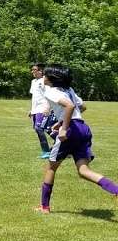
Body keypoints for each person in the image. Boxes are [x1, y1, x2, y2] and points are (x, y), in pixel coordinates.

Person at [36, 64, 118, 213]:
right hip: (82, 128)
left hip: (71, 130)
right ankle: (116, 190)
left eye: (45, 75)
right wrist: (61, 121)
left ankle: (44, 207)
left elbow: (69, 106)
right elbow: (82, 107)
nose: (43, 77)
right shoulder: (69, 90)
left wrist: (65, 128)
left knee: (51, 167)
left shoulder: (51, 91)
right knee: (83, 170)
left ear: (52, 79)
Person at [29, 63, 53, 158]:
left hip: (43, 108)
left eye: (34, 70)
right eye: (32, 70)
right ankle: (61, 146)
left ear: (40, 71)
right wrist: (31, 110)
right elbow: (35, 97)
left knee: (40, 128)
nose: (32, 72)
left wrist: (47, 107)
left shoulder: (44, 81)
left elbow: (48, 95)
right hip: (36, 109)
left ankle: (47, 151)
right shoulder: (33, 82)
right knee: (39, 128)